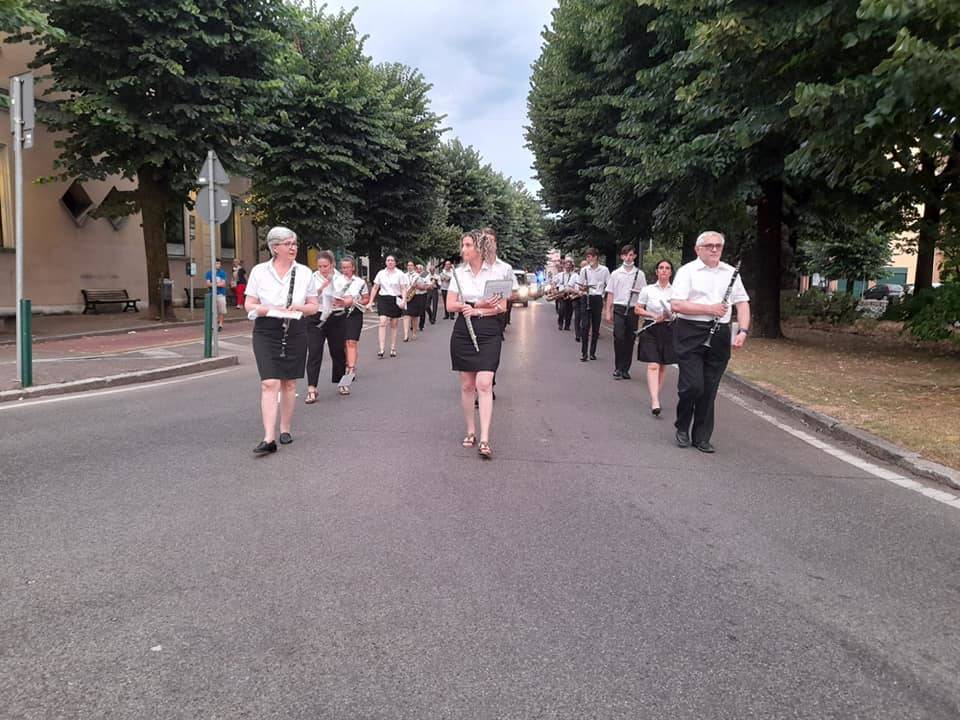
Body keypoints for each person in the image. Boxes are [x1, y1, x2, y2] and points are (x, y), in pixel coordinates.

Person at [670, 231, 750, 453]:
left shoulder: (730, 272)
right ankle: (682, 425)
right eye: (709, 246)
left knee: (710, 387)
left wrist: (743, 330)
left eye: (718, 246)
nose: (714, 249)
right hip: (690, 331)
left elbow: (742, 303)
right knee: (693, 386)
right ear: (698, 249)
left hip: (720, 333)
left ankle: (702, 436)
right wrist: (710, 309)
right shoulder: (687, 272)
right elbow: (676, 305)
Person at [244, 227, 319, 455]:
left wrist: (299, 307)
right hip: (266, 329)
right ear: (274, 247)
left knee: (289, 383)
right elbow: (249, 304)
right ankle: (269, 437)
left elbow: (314, 306)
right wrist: (265, 308)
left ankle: (285, 428)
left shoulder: (305, 272)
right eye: (287, 243)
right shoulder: (259, 271)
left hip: (295, 328)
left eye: (294, 243)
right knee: (269, 382)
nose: (293, 247)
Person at [447, 230, 507, 459]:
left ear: (479, 248)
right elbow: (450, 304)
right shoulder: (459, 274)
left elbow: (502, 306)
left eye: (468, 245)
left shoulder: (497, 272)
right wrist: (472, 303)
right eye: (463, 245)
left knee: (484, 383)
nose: (463, 250)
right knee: (467, 385)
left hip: (489, 329)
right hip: (464, 329)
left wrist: (479, 308)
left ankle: (484, 438)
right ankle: (470, 431)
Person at [635, 258, 677, 416]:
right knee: (653, 364)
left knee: (662, 365)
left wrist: (670, 314)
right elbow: (638, 309)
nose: (664, 270)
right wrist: (653, 314)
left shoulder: (677, 291)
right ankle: (655, 400)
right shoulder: (648, 289)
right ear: (657, 271)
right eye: (661, 267)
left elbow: (680, 309)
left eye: (667, 268)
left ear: (671, 272)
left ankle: (656, 395)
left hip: (669, 328)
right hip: (651, 328)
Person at [304, 251, 346, 405]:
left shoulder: (340, 278)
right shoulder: (312, 278)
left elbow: (346, 295)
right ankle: (311, 388)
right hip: (316, 317)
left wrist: (342, 299)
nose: (323, 269)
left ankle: (342, 382)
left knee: (337, 351)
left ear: (332, 264)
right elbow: (309, 296)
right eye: (320, 266)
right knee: (314, 352)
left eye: (326, 266)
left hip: (335, 316)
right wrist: (323, 285)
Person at [604, 245, 645, 380]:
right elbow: (610, 293)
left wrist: (637, 293)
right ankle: (618, 367)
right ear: (622, 256)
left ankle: (626, 369)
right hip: (619, 307)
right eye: (626, 255)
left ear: (634, 256)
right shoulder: (616, 273)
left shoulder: (640, 274)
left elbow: (645, 294)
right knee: (619, 337)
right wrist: (608, 311)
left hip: (633, 309)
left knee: (630, 339)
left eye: (631, 255)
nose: (628, 257)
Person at [335, 256, 369, 396]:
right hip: (339, 314)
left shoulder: (360, 282)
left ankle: (350, 370)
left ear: (353, 268)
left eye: (348, 267)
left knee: (351, 342)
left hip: (355, 314)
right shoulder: (336, 281)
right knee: (342, 344)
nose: (345, 270)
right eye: (343, 267)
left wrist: (357, 300)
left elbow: (366, 298)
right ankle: (346, 364)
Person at [367, 255, 407, 358]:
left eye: (392, 260)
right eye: (388, 260)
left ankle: (393, 347)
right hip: (383, 298)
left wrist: (403, 300)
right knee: (382, 321)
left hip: (395, 299)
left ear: (395, 262)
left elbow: (403, 288)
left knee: (394, 324)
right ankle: (381, 348)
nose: (390, 262)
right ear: (385, 262)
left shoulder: (400, 274)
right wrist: (370, 301)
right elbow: (375, 287)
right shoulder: (381, 273)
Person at [575, 248, 610, 362]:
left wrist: (603, 295)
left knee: (596, 326)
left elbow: (608, 285)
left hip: (597, 298)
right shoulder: (584, 270)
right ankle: (584, 353)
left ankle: (592, 352)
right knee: (585, 326)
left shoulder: (604, 270)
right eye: (587, 257)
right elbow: (580, 285)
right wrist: (583, 288)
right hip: (586, 297)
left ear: (596, 257)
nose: (589, 259)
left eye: (590, 257)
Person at [205, 259, 228, 331]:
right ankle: (212, 324)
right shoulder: (209, 273)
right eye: (216, 263)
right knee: (212, 310)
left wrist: (213, 284)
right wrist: (217, 284)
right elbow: (208, 283)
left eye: (219, 263)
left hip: (221, 294)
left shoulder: (222, 273)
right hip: (212, 294)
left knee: (221, 310)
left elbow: (223, 284)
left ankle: (220, 324)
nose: (218, 265)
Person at [403, 260, 422, 342]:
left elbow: (422, 286)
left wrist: (417, 285)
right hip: (406, 296)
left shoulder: (417, 276)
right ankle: (406, 335)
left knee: (414, 317)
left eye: (411, 265)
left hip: (415, 296)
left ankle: (414, 333)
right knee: (406, 316)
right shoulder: (404, 275)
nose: (409, 267)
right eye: (408, 265)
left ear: (414, 267)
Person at [556, 258, 576, 332]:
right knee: (561, 309)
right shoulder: (560, 275)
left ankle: (567, 325)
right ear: (564, 266)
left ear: (571, 267)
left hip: (570, 294)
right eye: (566, 265)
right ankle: (560, 323)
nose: (568, 267)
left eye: (569, 265)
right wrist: (554, 289)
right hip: (562, 294)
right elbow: (554, 282)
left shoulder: (574, 275)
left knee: (569, 311)